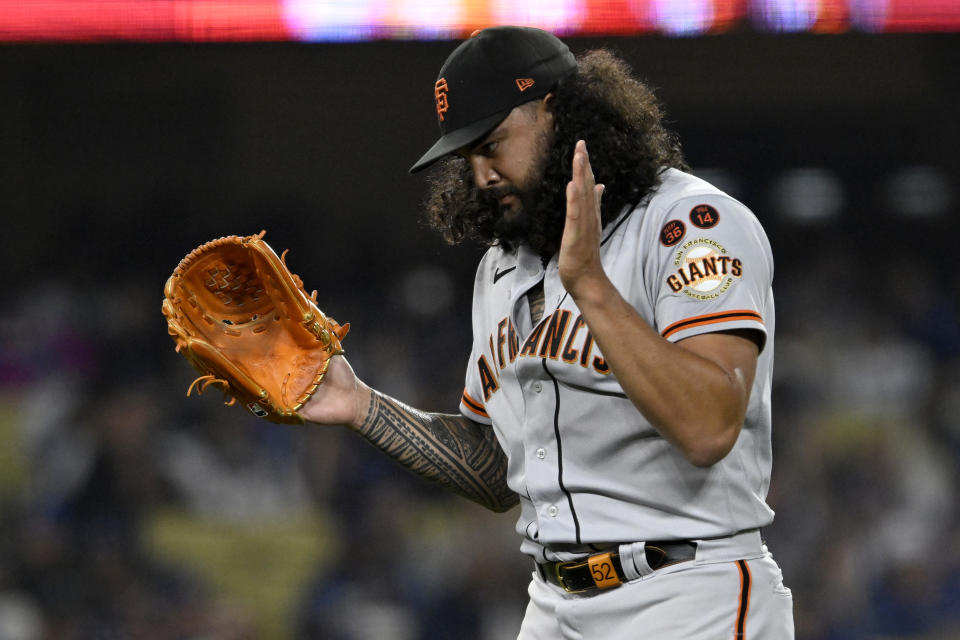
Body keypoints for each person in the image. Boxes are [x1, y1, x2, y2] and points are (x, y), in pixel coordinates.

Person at [301, 25, 795, 639]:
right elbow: (496, 470)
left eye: (494, 144)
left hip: (690, 597)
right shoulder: (502, 267)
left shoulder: (688, 223)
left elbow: (710, 425)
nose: (482, 174)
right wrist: (359, 406)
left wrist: (589, 285)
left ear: (558, 114)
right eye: (468, 157)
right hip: (552, 604)